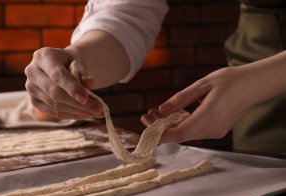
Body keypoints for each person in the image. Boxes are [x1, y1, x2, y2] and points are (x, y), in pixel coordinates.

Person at [25, 0, 286, 156]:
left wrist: (258, 81)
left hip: (254, 85)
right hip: (257, 95)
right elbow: (128, 12)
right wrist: (77, 58)